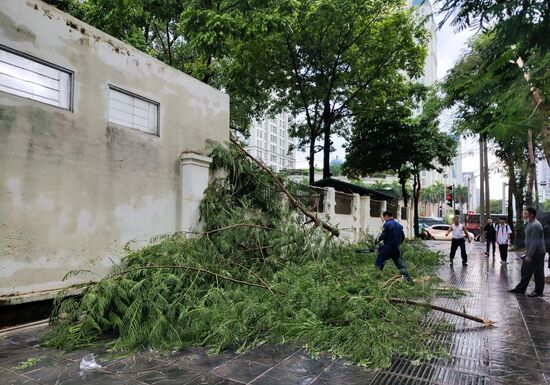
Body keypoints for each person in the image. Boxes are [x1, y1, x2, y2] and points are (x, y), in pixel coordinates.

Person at [508, 208, 545, 297]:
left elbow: (534, 242)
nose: (523, 215)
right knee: (526, 270)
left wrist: (529, 255)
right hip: (533, 252)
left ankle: (538, 291)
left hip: (537, 253)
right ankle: (521, 289)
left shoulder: (535, 225)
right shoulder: (529, 223)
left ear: (531, 215)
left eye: (525, 214)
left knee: (538, 272)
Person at [375, 211, 413, 284]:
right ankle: (408, 280)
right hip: (396, 248)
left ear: (386, 216)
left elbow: (383, 235)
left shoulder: (387, 224)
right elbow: (402, 237)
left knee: (379, 262)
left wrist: (377, 241)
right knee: (400, 264)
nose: (384, 219)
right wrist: (397, 244)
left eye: (384, 218)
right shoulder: (399, 225)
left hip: (387, 247)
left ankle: (376, 279)